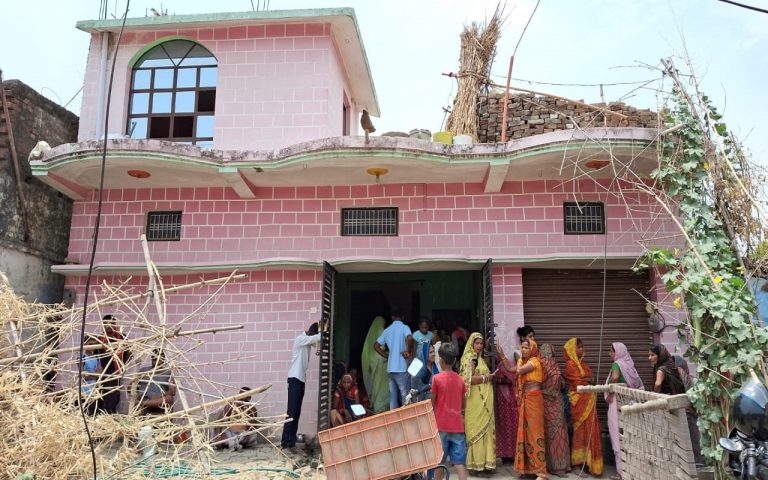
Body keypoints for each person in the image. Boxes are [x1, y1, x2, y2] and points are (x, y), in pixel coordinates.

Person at [498, 339, 547, 480]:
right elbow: (510, 369)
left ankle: (541, 472)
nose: (523, 350)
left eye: (526, 348)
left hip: (534, 400)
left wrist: (518, 360)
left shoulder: (535, 361)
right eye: (522, 347)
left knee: (535, 433)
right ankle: (528, 470)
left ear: (532, 349)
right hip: (525, 400)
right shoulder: (524, 362)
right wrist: (502, 356)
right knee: (524, 434)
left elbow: (518, 370)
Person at [563, 337, 603, 477]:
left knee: (590, 431)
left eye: (582, 347)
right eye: (579, 347)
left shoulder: (583, 365)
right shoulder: (570, 365)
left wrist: (588, 380)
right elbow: (579, 383)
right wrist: (588, 380)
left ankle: (588, 462)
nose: (582, 349)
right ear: (572, 350)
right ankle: (577, 464)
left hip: (588, 401)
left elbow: (593, 379)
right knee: (579, 432)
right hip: (577, 403)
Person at [281, 321, 322, 453]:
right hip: (294, 379)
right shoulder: (300, 339)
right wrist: (323, 330)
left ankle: (291, 443)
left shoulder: (307, 342)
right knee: (291, 413)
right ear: (311, 332)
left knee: (296, 413)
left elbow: (317, 344)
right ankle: (285, 444)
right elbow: (318, 338)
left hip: (300, 380)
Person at [605, 343, 644, 479]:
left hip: (617, 403)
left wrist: (608, 384)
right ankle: (632, 469)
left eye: (611, 351)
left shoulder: (617, 364)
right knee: (629, 435)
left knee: (617, 435)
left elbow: (615, 378)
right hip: (629, 402)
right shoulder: (629, 365)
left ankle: (620, 473)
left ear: (618, 353)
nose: (609, 354)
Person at [431, 343, 469, 480]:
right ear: (454, 361)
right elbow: (464, 404)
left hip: (441, 426)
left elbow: (432, 402)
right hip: (458, 427)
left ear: (440, 360)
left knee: (439, 463)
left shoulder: (436, 379)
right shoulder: (461, 380)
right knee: (459, 463)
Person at [460, 332, 496, 473]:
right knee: (476, 430)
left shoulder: (479, 358)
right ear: (471, 343)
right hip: (475, 401)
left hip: (484, 402)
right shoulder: (470, 358)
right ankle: (476, 464)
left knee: (486, 431)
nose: (479, 346)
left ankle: (486, 464)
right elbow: (469, 380)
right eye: (477, 343)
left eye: (481, 343)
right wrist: (487, 378)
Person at [540, 343, 571, 477]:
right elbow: (536, 383)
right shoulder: (540, 365)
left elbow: (561, 382)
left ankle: (562, 466)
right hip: (546, 402)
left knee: (560, 433)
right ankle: (552, 466)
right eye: (551, 351)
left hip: (557, 403)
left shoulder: (553, 364)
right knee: (551, 434)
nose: (553, 353)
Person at [374, 308, 414, 409]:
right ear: (403, 317)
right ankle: (406, 419)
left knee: (393, 397)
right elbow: (410, 338)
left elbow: (376, 345)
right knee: (405, 395)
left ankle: (394, 418)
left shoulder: (387, 330)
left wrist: (387, 356)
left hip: (390, 368)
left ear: (392, 317)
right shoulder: (405, 328)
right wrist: (408, 352)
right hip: (401, 368)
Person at [673, 354, 704, 465]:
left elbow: (697, 404)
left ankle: (698, 461)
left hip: (694, 418)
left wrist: (687, 407)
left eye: (676, 368)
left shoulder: (693, 382)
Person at [99, 314, 131, 414]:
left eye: (111, 323)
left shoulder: (121, 337)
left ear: (115, 324)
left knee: (113, 397)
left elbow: (129, 354)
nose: (109, 326)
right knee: (101, 397)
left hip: (116, 373)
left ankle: (109, 418)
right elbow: (95, 356)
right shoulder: (99, 339)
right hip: (102, 373)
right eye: (106, 324)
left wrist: (122, 366)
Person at [493, 342, 518, 464]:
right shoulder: (497, 365)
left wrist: (497, 380)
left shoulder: (506, 364)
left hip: (509, 402)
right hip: (501, 402)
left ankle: (511, 454)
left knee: (510, 426)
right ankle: (505, 455)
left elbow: (510, 380)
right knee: (502, 427)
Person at [213, 387, 259, 452]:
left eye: (246, 396)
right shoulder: (231, 405)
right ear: (239, 395)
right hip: (230, 434)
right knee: (219, 438)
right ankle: (235, 444)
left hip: (243, 435)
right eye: (242, 395)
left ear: (249, 397)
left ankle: (233, 444)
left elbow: (253, 426)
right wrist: (218, 436)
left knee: (252, 437)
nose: (243, 398)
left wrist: (247, 434)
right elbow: (219, 421)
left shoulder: (252, 408)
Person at [362, 316, 390, 413]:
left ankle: (373, 403)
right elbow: (379, 348)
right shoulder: (382, 330)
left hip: (374, 363)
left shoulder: (370, 335)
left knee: (375, 385)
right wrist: (387, 356)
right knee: (382, 387)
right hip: (381, 365)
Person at [136, 349, 176, 415]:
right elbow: (132, 387)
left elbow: (173, 392)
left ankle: (143, 403)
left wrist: (160, 396)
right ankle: (144, 403)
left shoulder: (167, 372)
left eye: (159, 360)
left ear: (163, 360)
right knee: (141, 401)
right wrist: (135, 392)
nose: (156, 362)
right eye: (154, 359)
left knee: (169, 398)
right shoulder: (143, 371)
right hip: (145, 397)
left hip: (160, 399)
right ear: (151, 359)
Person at [80, 335, 103, 415]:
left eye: (94, 344)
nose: (92, 346)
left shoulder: (97, 357)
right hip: (84, 388)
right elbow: (84, 376)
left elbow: (100, 373)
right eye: (90, 344)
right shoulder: (82, 357)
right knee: (85, 410)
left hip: (94, 387)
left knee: (94, 410)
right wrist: (94, 374)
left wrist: (90, 374)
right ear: (85, 344)